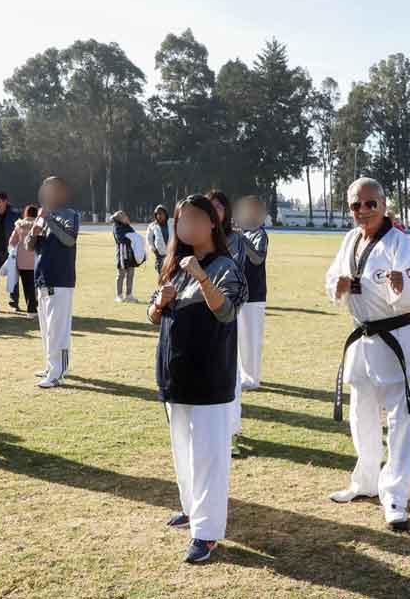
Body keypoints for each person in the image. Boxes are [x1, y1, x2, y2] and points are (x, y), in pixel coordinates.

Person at [325, 177, 410, 532]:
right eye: (356, 205)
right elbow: (332, 280)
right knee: (362, 416)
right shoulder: (350, 240)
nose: (363, 211)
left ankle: (396, 495)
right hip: (362, 341)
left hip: (397, 339)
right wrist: (337, 288)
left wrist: (403, 288)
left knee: (401, 423)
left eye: (371, 203)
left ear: (384, 204)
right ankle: (366, 481)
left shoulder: (401, 244)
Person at [148, 194, 247, 564]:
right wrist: (161, 301)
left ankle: (206, 533)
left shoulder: (225, 265)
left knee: (209, 455)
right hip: (176, 372)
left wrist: (201, 277)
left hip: (210, 375)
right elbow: (151, 314)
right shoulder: (172, 264)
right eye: (180, 220)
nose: (186, 226)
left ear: (211, 224)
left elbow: (226, 311)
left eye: (193, 218)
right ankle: (190, 508)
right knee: (183, 450)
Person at [207, 190, 253, 455]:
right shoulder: (193, 239)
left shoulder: (235, 240)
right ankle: (212, 430)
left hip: (224, 313)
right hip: (198, 316)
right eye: (209, 207)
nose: (214, 211)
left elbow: (229, 276)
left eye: (219, 207)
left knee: (229, 372)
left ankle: (232, 430)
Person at [27, 176, 79, 388]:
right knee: (47, 328)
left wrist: (48, 219)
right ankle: (51, 366)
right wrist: (33, 232)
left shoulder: (70, 214)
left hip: (60, 279)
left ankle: (58, 372)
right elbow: (30, 246)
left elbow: (69, 238)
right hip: (42, 278)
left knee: (58, 330)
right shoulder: (43, 214)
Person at [236, 195, 269, 391]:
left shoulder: (260, 235)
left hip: (254, 294)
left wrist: (242, 240)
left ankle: (252, 378)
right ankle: (244, 373)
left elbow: (257, 258)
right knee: (241, 338)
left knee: (251, 338)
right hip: (241, 293)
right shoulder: (244, 233)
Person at [8, 204, 39, 317]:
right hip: (35, 259)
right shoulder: (38, 224)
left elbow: (12, 242)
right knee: (36, 286)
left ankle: (30, 309)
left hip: (21, 260)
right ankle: (34, 308)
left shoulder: (19, 225)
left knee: (26, 285)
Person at [111, 210, 141, 303]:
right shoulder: (116, 227)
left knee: (131, 274)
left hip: (130, 254)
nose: (127, 217)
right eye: (124, 216)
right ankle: (119, 295)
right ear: (120, 219)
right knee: (121, 274)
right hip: (122, 254)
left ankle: (129, 295)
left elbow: (135, 236)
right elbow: (121, 239)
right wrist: (131, 238)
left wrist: (133, 238)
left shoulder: (128, 227)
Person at [147, 204, 171, 275]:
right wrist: (154, 250)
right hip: (160, 256)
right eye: (157, 214)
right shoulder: (152, 226)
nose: (159, 215)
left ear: (165, 214)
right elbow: (149, 240)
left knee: (172, 277)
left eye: (161, 213)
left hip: (172, 256)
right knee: (161, 277)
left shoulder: (172, 223)